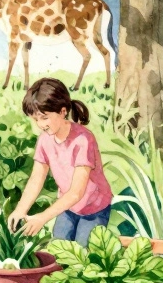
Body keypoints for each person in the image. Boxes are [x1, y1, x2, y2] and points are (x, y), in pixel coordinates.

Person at [8, 78, 114, 247]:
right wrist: (21, 209)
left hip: (93, 208)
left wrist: (43, 217)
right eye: (36, 119)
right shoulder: (45, 140)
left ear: (63, 111)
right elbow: (36, 179)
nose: (40, 125)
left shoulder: (83, 139)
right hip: (67, 208)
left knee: (82, 254)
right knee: (59, 251)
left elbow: (76, 193)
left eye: (44, 118)